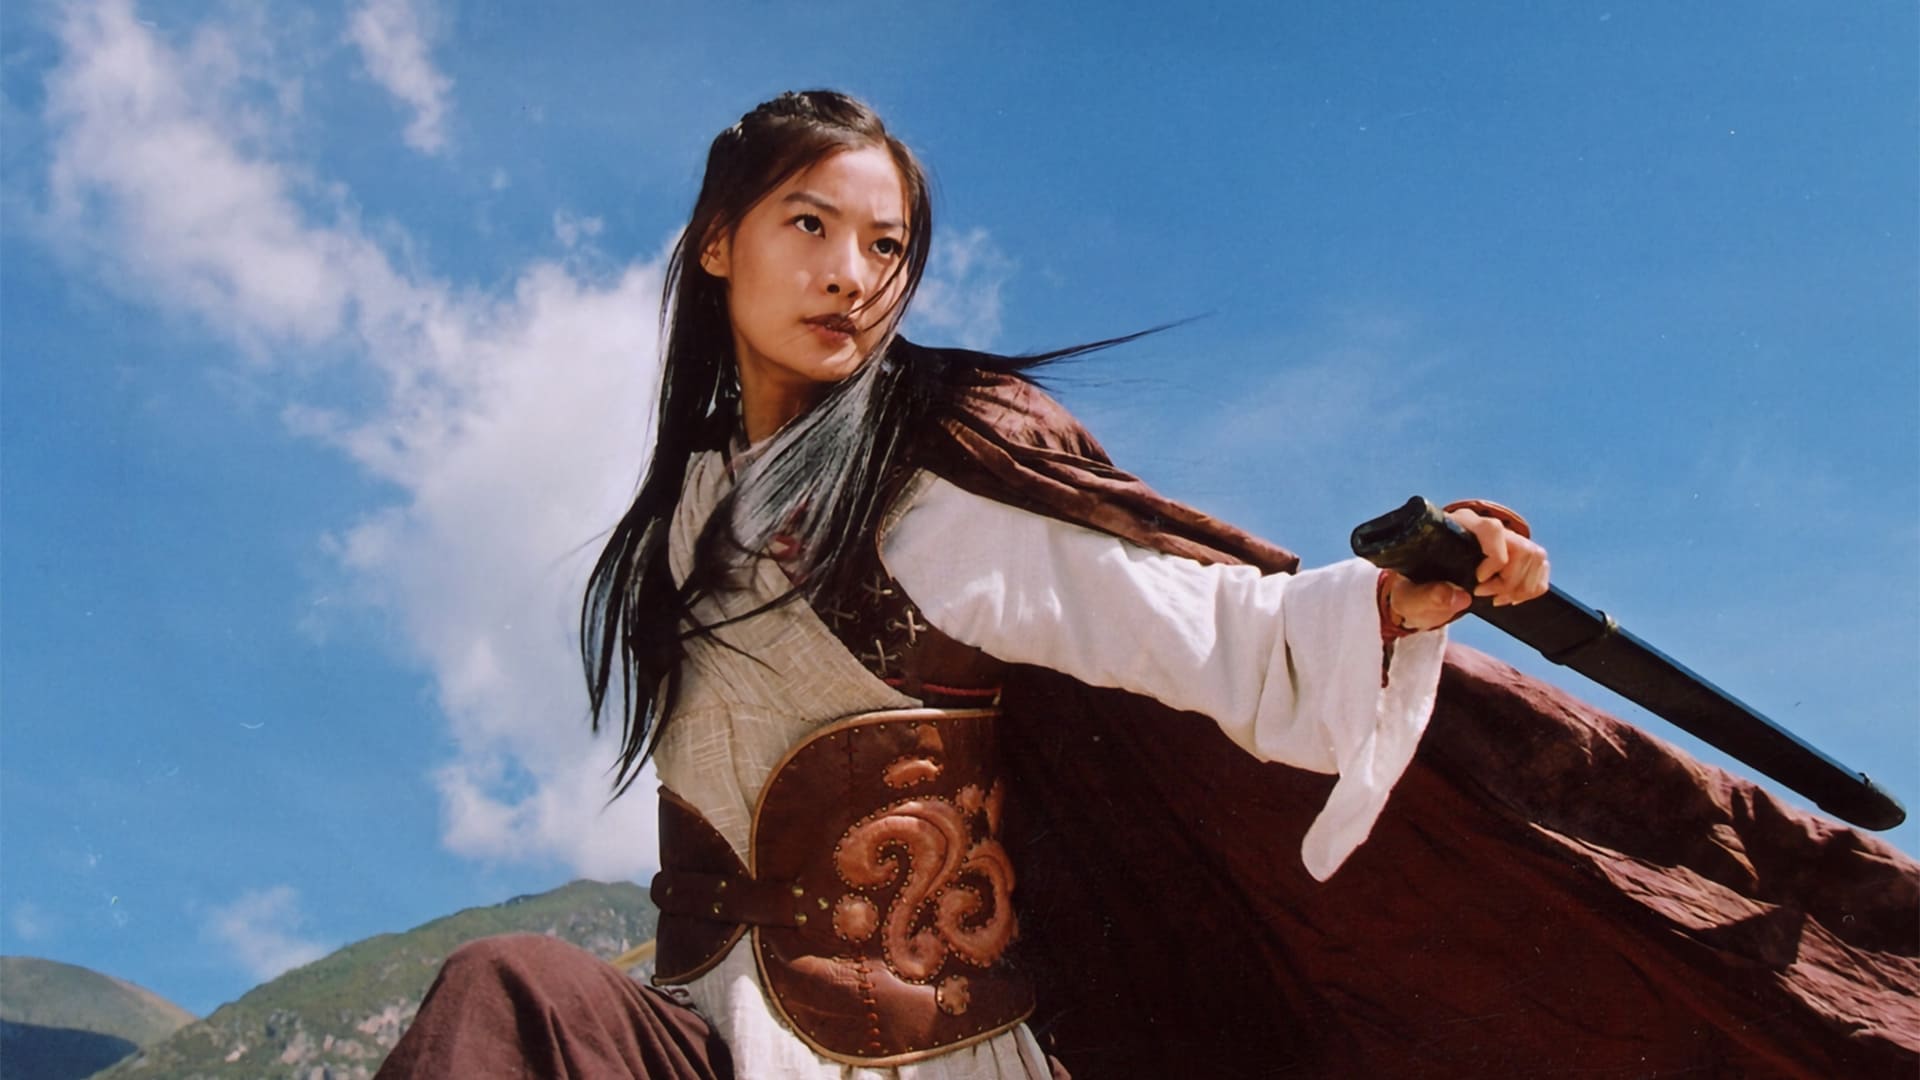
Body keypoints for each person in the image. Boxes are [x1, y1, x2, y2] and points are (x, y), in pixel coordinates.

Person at [376, 91, 1917, 1079]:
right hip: (712, 1047)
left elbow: (1191, 625)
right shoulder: (679, 530)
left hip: (922, 1065)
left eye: (886, 247)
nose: (852, 273)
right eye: (810, 226)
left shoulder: (927, 493)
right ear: (719, 243)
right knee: (512, 1002)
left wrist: (1389, 603)